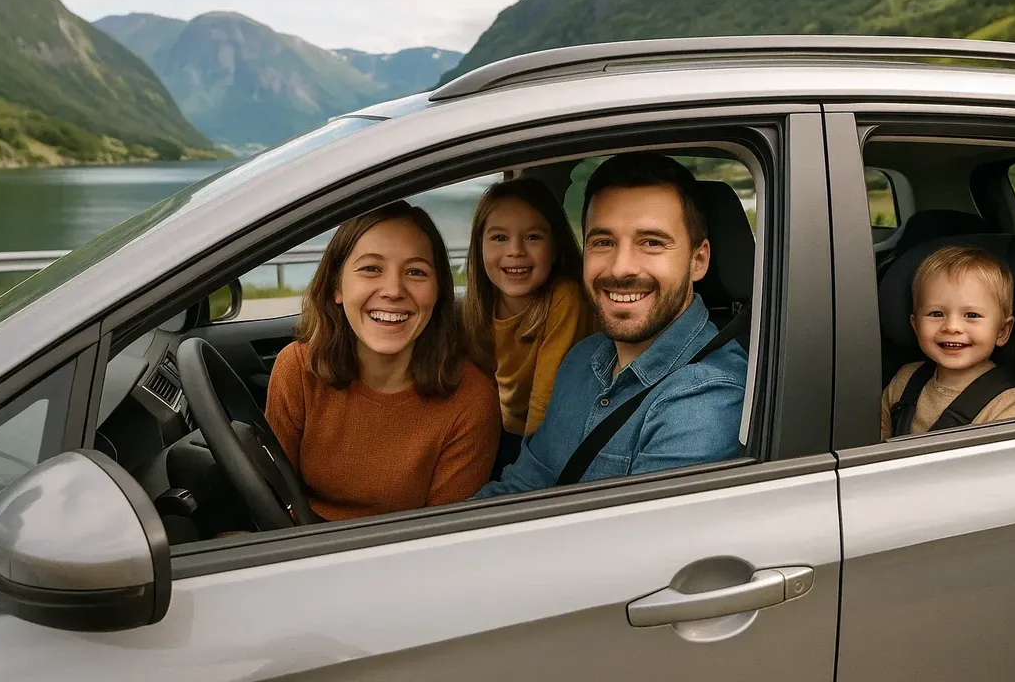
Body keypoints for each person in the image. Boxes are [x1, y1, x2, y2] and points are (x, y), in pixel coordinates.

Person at [476, 153, 748, 498]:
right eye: (603, 242)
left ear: (698, 260)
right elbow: (522, 486)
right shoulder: (581, 359)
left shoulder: (705, 399)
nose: (620, 269)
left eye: (651, 242)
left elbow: (633, 547)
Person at [265, 201, 500, 521]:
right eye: (371, 268)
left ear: (438, 293)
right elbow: (270, 498)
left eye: (416, 272)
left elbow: (442, 539)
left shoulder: (470, 398)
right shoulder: (297, 368)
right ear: (337, 286)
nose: (393, 290)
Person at [462, 178, 595, 479]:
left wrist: (524, 477)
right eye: (499, 238)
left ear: (555, 246)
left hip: (548, 441)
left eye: (533, 237)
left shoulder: (565, 298)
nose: (515, 251)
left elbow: (545, 403)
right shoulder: (480, 304)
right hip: (503, 432)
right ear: (479, 244)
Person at [881, 244, 1015, 439]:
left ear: (1001, 331)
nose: (952, 327)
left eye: (972, 315)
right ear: (915, 325)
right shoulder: (904, 382)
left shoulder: (1009, 409)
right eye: (936, 313)